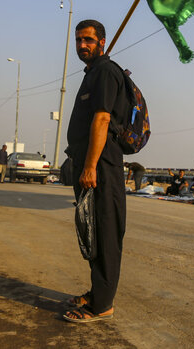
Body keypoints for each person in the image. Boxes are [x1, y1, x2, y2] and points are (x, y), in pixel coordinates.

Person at [63, 19, 129, 323]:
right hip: (88, 165)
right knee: (91, 231)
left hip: (101, 166)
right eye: (78, 40)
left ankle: (102, 306)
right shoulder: (93, 73)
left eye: (88, 40)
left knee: (105, 232)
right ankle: (97, 291)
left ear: (101, 41)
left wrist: (90, 166)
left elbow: (102, 120)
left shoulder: (105, 72)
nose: (81, 45)